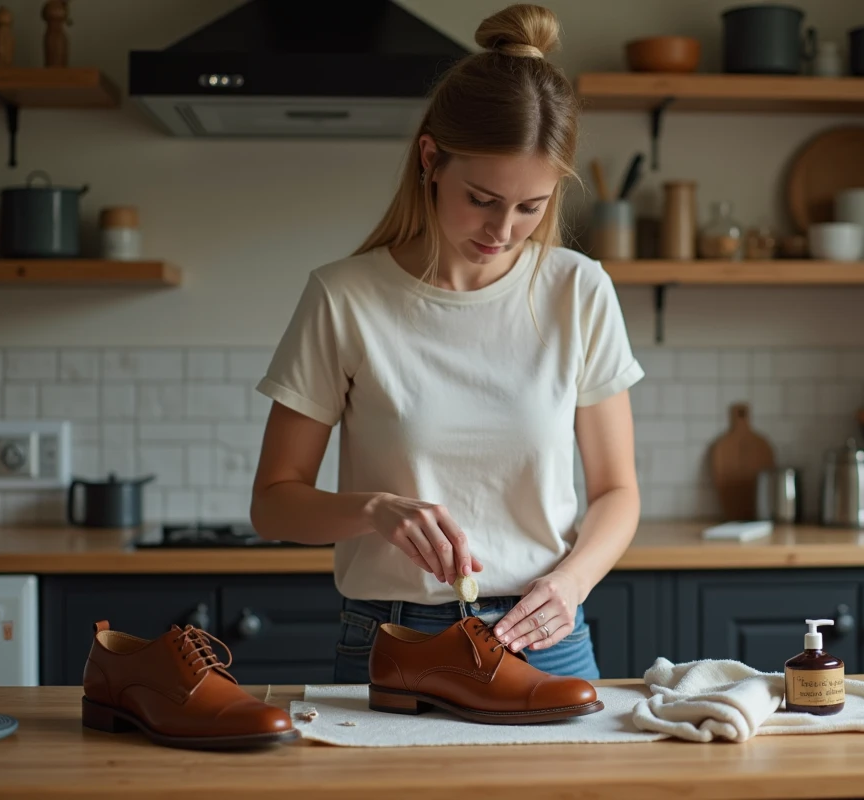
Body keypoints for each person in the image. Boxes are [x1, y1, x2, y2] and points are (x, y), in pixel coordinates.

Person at [250, 3, 643, 683]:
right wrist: (374, 511)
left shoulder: (578, 291)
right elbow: (274, 501)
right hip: (394, 637)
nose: (504, 229)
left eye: (532, 206)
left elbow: (617, 492)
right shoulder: (345, 297)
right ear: (431, 159)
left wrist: (572, 584)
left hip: (546, 637)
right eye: (483, 198)